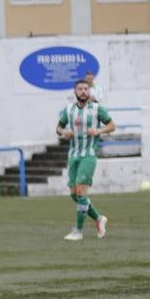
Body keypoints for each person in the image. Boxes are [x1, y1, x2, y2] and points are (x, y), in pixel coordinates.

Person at [56, 77, 113, 241]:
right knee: (74, 195)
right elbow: (58, 127)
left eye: (85, 89)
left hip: (88, 155)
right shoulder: (68, 110)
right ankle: (99, 218)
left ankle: (78, 232)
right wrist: (63, 132)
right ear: (75, 92)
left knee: (81, 191)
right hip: (73, 156)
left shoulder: (97, 109)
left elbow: (112, 125)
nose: (83, 92)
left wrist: (99, 131)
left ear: (89, 92)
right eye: (80, 89)